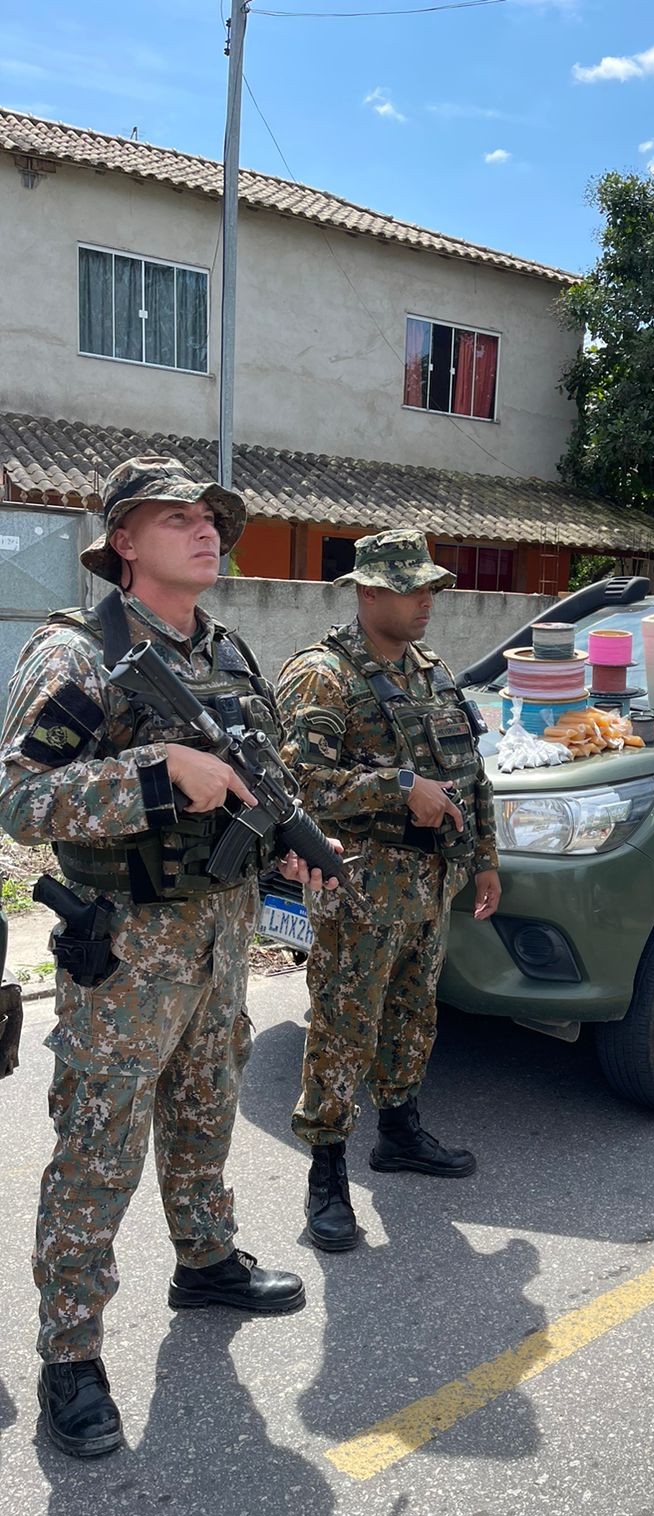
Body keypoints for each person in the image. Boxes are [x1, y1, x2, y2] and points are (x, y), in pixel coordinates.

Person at [0, 456, 335, 1459]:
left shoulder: (230, 654)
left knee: (204, 1108)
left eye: (213, 518)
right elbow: (20, 799)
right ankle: (70, 1352)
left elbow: (252, 784)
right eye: (178, 517)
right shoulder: (79, 654)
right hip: (127, 948)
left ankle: (207, 1259)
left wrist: (286, 842)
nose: (206, 531)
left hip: (224, 935)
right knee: (98, 1145)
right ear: (124, 543)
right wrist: (159, 772)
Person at [276, 529, 501, 1253]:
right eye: (412, 588)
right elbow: (299, 787)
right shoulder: (322, 675)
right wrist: (400, 787)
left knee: (412, 1012)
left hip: (430, 881)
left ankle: (399, 1131)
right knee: (345, 1025)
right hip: (360, 883)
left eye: (430, 587)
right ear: (369, 591)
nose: (426, 601)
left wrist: (486, 857)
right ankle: (327, 1169)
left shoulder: (429, 669)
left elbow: (470, 768)